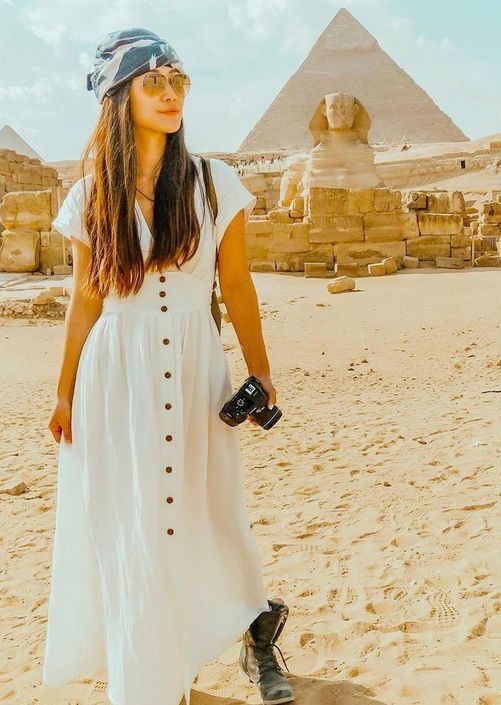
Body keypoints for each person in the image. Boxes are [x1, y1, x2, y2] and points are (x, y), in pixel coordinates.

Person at [41, 27, 295, 705]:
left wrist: (262, 370)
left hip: (192, 368)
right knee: (134, 524)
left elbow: (236, 285)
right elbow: (85, 301)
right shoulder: (92, 193)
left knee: (206, 515)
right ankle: (151, 679)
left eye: (178, 80)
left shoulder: (215, 182)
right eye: (153, 81)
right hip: (114, 375)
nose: (171, 93)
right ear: (118, 98)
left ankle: (250, 629)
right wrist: (64, 393)